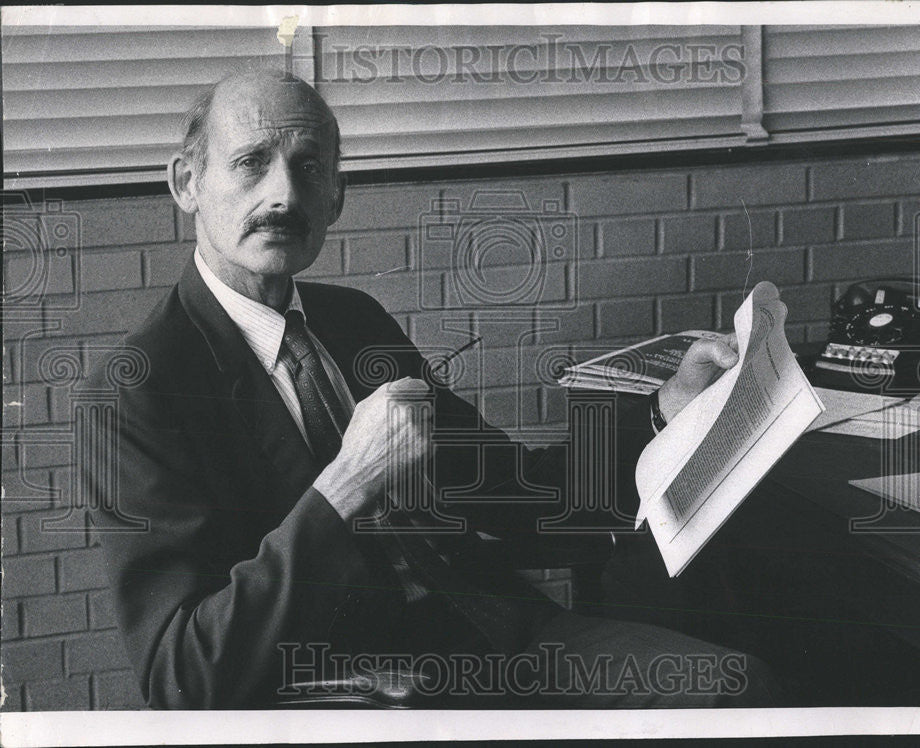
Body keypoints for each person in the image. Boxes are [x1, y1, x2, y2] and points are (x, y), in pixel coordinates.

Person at [89, 69, 776, 709]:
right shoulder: (139, 391)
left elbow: (512, 493)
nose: (283, 196)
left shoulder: (353, 321)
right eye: (250, 163)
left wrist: (663, 413)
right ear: (186, 183)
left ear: (337, 195)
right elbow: (181, 674)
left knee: (735, 687)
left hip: (492, 633)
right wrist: (346, 486)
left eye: (308, 168)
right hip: (354, 690)